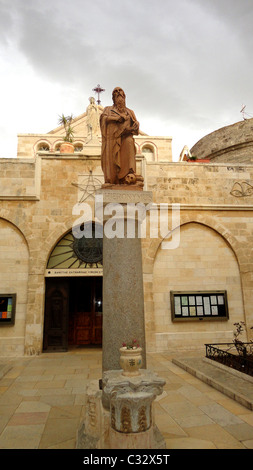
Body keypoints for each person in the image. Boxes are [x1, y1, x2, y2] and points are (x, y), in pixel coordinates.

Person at [100, 87, 140, 185]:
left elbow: (135, 127)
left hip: (125, 137)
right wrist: (116, 118)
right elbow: (103, 118)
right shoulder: (108, 109)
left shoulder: (130, 112)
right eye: (117, 96)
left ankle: (129, 175)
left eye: (121, 96)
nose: (120, 99)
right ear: (113, 99)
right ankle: (112, 179)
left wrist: (136, 124)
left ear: (124, 98)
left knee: (129, 141)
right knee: (111, 155)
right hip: (112, 139)